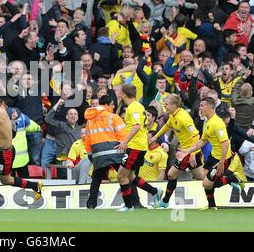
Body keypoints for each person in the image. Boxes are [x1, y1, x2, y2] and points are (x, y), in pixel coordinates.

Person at [177, 97, 244, 210]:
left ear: (209, 107)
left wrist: (222, 162)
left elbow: (225, 143)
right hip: (213, 156)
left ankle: (233, 179)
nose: (200, 107)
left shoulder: (217, 123)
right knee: (205, 180)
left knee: (207, 184)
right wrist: (187, 152)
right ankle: (212, 206)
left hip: (222, 158)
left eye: (202, 105)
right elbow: (202, 141)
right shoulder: (208, 122)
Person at [149, 94, 203, 208]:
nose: (165, 106)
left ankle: (164, 202)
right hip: (185, 151)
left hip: (187, 152)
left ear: (174, 105)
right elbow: (167, 125)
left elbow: (196, 136)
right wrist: (156, 136)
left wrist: (192, 154)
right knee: (201, 177)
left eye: (167, 104)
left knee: (171, 174)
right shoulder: (173, 115)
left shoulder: (184, 118)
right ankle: (227, 180)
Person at [115, 84, 163, 212]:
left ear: (124, 94)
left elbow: (136, 126)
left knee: (121, 176)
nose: (119, 94)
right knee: (130, 177)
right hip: (139, 145)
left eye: (120, 92)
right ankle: (155, 191)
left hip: (135, 147)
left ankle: (128, 206)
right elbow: (145, 125)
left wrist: (125, 142)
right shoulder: (139, 106)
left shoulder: (133, 107)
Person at [84, 95, 126, 209]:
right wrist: (125, 151)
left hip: (98, 153)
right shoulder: (114, 117)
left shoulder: (90, 120)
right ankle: (132, 202)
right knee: (124, 176)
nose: (113, 107)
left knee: (96, 179)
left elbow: (87, 139)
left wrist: (89, 154)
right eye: (112, 104)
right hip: (115, 151)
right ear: (107, 105)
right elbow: (123, 136)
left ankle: (91, 204)